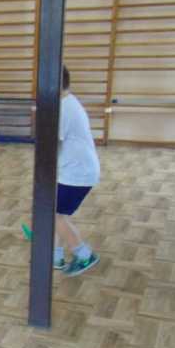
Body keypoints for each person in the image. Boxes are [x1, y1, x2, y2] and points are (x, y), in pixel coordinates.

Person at [55, 65, 100, 276]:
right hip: (74, 169)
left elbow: (53, 145)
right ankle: (55, 256)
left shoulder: (64, 109)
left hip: (77, 173)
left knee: (57, 216)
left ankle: (84, 255)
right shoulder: (68, 102)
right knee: (54, 213)